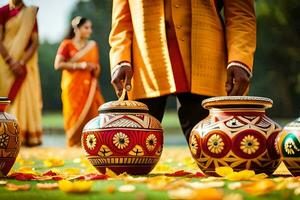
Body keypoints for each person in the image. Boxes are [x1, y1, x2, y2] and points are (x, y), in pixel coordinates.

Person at [109, 0, 256, 141]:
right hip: (144, 64)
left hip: (207, 62)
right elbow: (121, 21)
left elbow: (241, 14)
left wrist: (240, 60)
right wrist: (121, 60)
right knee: (132, 151)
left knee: (216, 151)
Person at [54, 16, 105, 147]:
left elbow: (97, 67)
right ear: (77, 28)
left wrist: (95, 68)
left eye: (90, 28)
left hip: (89, 88)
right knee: (72, 114)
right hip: (72, 87)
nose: (89, 30)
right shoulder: (67, 44)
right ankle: (73, 142)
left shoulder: (92, 46)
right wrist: (79, 66)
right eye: (86, 27)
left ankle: (92, 143)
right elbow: (58, 65)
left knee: (92, 112)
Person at [0, 0, 42, 146]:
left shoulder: (30, 13)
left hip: (24, 63)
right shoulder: (3, 11)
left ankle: (22, 137)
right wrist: (10, 61)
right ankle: (4, 135)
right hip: (4, 64)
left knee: (23, 98)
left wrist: (21, 62)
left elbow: (35, 42)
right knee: (4, 98)